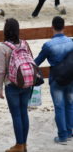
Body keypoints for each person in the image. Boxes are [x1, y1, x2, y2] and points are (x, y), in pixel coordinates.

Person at [34, 16, 73, 145]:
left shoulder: (48, 45)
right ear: (64, 27)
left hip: (56, 79)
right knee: (70, 105)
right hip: (71, 78)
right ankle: (69, 132)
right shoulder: (71, 42)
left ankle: (62, 136)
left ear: (52, 27)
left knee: (59, 107)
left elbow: (37, 62)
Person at [0, 18, 32, 152]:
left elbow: (1, 70)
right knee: (24, 113)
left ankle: (19, 145)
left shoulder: (3, 47)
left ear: (5, 30)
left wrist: (0, 87)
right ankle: (24, 144)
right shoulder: (24, 43)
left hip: (11, 84)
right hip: (26, 83)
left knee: (16, 115)